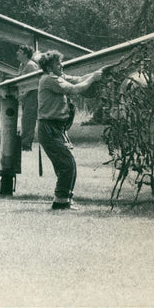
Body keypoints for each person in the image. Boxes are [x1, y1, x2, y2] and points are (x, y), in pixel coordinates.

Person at [37, 50, 107, 210]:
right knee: (67, 164)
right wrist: (93, 78)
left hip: (57, 128)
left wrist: (97, 73)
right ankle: (60, 201)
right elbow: (75, 89)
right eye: (58, 63)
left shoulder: (57, 77)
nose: (62, 65)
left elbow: (78, 79)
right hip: (49, 128)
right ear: (49, 67)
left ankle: (64, 199)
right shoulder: (49, 79)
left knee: (68, 164)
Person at [15, 44, 40, 151]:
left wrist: (23, 94)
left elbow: (35, 82)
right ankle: (24, 142)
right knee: (25, 120)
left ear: (25, 54)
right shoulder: (22, 65)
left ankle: (26, 144)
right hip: (25, 96)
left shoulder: (31, 66)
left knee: (28, 120)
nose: (17, 53)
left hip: (32, 96)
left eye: (20, 52)